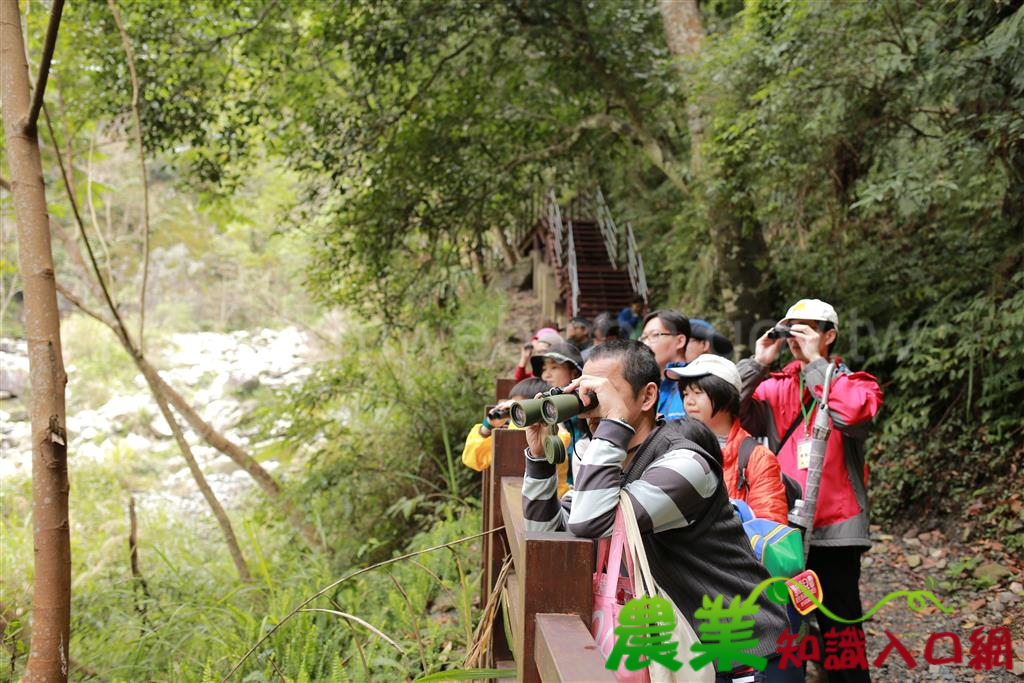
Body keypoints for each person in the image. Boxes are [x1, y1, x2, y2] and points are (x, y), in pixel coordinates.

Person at [521, 341, 800, 682]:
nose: (593, 400)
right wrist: (538, 460)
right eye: (586, 389)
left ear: (648, 396)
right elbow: (549, 536)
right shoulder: (611, 462)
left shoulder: (685, 464)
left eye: (605, 390)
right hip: (686, 655)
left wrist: (611, 425)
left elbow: (588, 524)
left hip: (745, 655)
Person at [737, 299, 882, 683]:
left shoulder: (857, 384)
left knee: (841, 627)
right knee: (785, 628)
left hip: (836, 528)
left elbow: (852, 415)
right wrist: (758, 362)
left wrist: (818, 364)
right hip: (782, 527)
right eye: (791, 328)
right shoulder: (774, 385)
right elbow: (723, 407)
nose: (797, 335)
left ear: (829, 335)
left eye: (808, 328)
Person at [669, 354, 788, 525]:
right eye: (685, 393)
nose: (689, 401)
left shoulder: (757, 457)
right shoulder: (675, 445)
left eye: (697, 392)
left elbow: (769, 527)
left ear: (725, 396)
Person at [461, 377, 573, 497]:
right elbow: (473, 460)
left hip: (554, 500)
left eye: (520, 407)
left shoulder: (555, 429)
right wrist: (487, 427)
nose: (515, 413)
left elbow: (559, 440)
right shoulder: (509, 432)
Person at [638, 309, 690, 421]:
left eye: (655, 335)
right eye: (643, 338)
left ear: (680, 341)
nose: (646, 344)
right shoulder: (646, 388)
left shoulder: (695, 385)